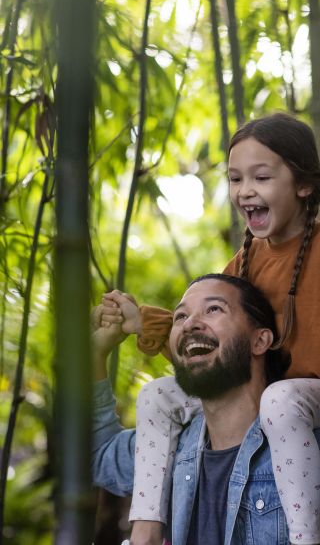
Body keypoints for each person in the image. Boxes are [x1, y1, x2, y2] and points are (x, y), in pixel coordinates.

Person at [102, 113, 320, 545]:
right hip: (262, 402)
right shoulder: (243, 263)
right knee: (158, 394)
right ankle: (145, 531)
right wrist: (141, 322)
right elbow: (217, 351)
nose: (245, 191)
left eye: (261, 176)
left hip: (298, 401)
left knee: (280, 398)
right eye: (236, 179)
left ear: (304, 184)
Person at [91, 273, 320, 545]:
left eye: (214, 309)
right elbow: (95, 455)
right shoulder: (165, 450)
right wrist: (93, 355)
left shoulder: (305, 452)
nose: (190, 325)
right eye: (180, 317)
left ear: (259, 341)